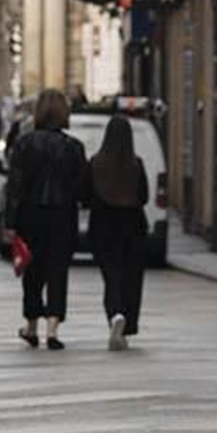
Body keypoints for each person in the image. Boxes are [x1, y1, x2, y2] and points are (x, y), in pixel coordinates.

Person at [4, 89, 87, 351]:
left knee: (32, 271)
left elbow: (15, 186)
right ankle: (53, 329)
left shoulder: (25, 144)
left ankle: (31, 327)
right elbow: (81, 188)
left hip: (31, 215)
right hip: (63, 215)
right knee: (57, 270)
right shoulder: (74, 147)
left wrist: (10, 222)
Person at [87, 116, 149, 352]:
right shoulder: (137, 164)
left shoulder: (95, 163)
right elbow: (144, 196)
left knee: (111, 277)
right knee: (131, 278)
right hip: (132, 227)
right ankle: (127, 324)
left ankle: (115, 314)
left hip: (103, 227)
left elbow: (85, 194)